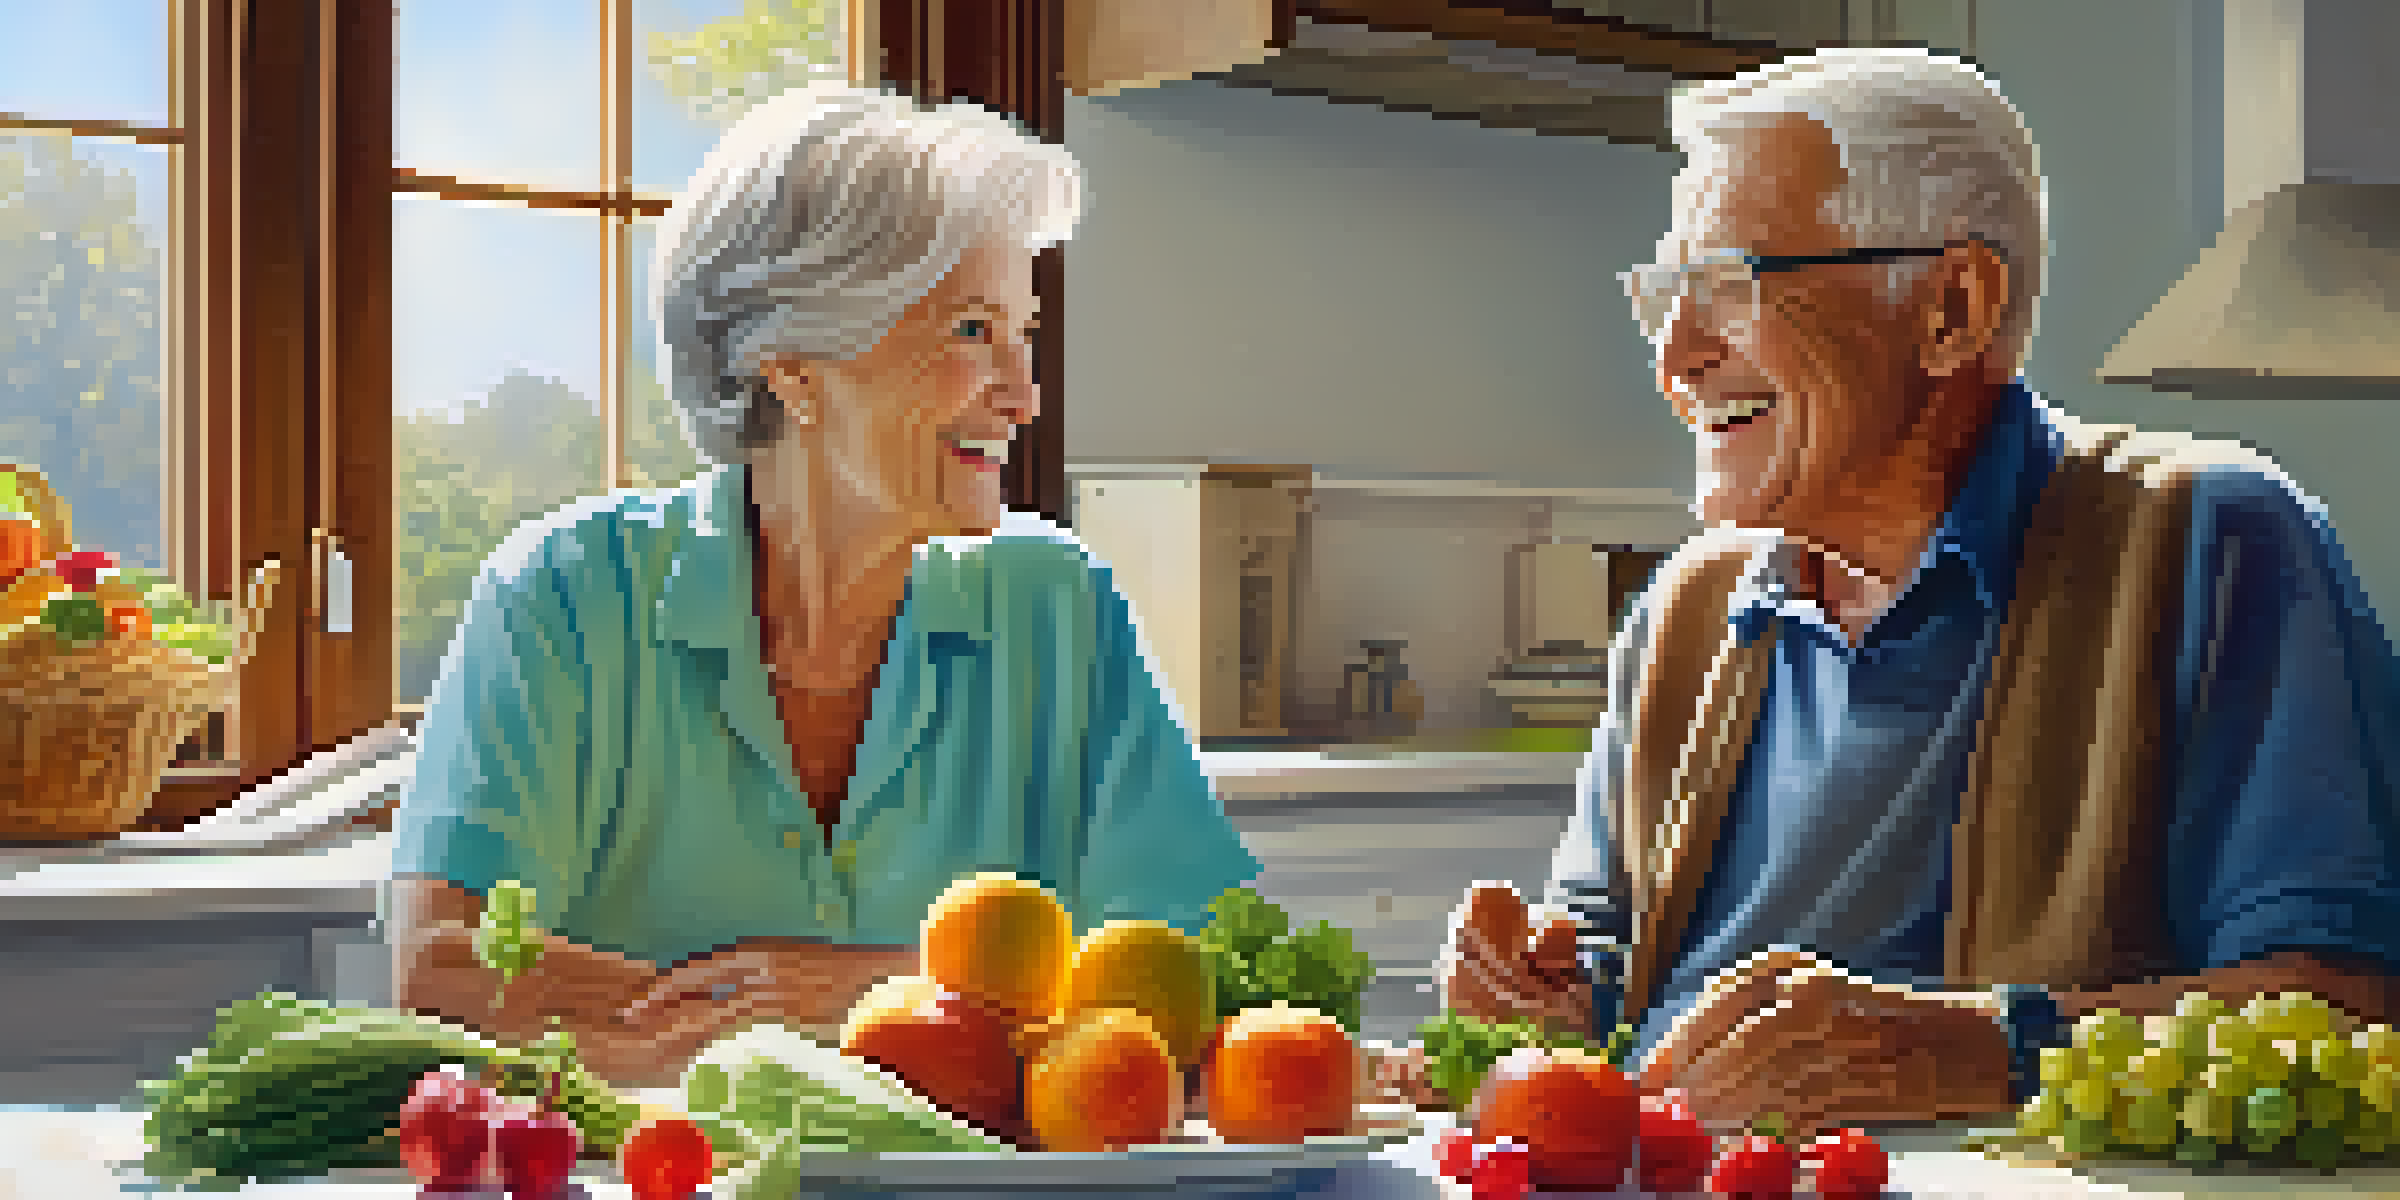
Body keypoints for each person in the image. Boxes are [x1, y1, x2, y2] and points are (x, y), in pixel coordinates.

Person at [1436, 48, 2400, 1137]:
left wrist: (1983, 1048)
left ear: (1953, 306)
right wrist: (1546, 993)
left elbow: (2345, 1014)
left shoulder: (2207, 537)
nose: (1677, 355)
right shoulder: (1685, 611)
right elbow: (1607, 965)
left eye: (1729, 285)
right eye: (1666, 294)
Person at [387, 83, 1261, 1089]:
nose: (1022, 395)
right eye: (972, 331)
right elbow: (441, 972)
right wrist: (977, 1015)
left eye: (1026, 335)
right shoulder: (566, 595)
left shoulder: (1060, 607)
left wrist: (846, 994)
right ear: (793, 369)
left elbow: (1196, 980)